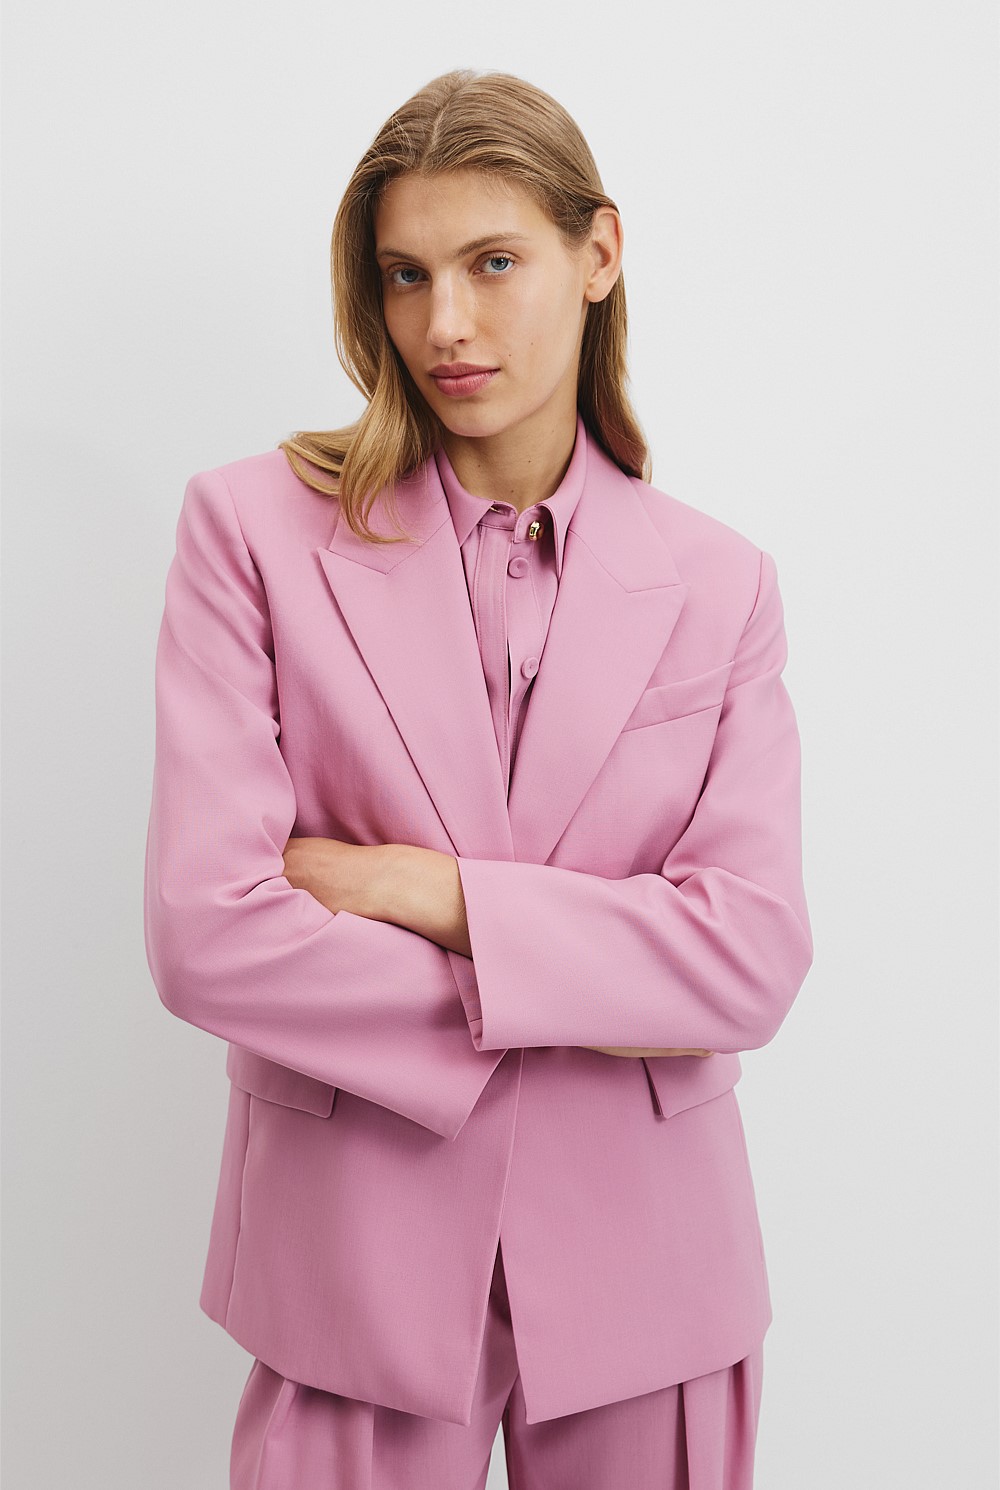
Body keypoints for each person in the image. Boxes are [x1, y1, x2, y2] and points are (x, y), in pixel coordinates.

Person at [144, 67, 813, 1490]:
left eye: (492, 263)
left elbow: (750, 959)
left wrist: (431, 894)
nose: (444, 323)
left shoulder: (723, 583)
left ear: (598, 253)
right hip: (351, 1271)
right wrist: (601, 979)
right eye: (407, 275)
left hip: (652, 1274)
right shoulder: (250, 532)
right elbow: (206, 933)